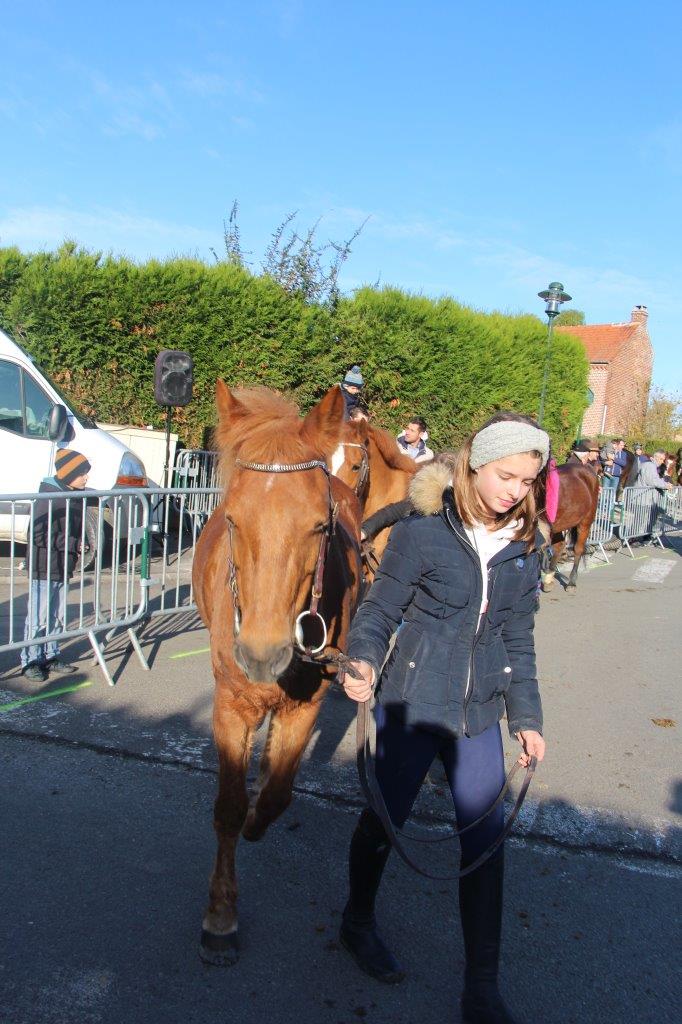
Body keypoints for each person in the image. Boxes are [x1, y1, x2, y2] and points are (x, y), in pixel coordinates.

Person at [339, 411, 547, 1024]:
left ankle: (481, 988)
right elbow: (379, 612)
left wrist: (527, 718)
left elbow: (518, 638)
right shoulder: (423, 530)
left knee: (485, 845)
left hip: (479, 711)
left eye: (527, 481)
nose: (516, 490)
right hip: (412, 703)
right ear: (475, 467)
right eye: (506, 475)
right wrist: (363, 661)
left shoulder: (525, 546)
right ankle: (356, 920)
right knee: (384, 819)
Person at [20, 448, 91, 682]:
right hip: (44, 567)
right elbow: (37, 534)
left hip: (62, 566)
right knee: (38, 617)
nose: (86, 478)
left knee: (56, 616)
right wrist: (72, 544)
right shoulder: (49, 496)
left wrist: (79, 544)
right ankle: (30, 660)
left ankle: (51, 655)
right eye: (82, 473)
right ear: (69, 475)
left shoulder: (73, 495)